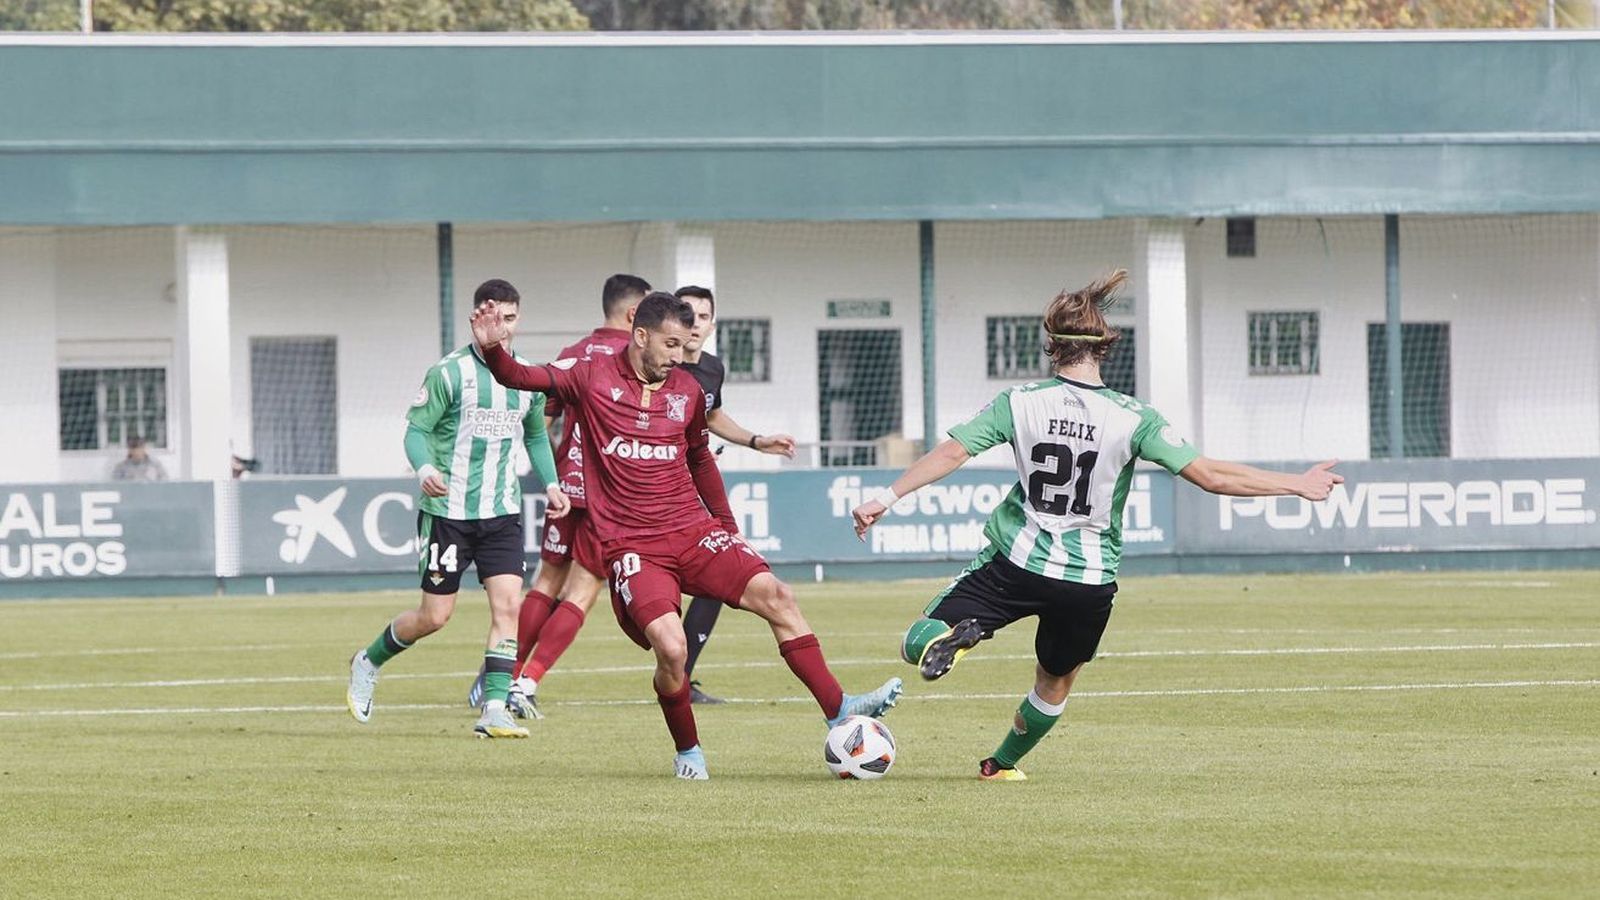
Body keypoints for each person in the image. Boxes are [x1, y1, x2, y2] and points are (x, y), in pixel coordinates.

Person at [851, 270, 1343, 781]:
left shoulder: (1019, 402)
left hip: (1016, 564)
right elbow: (1210, 476)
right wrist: (1297, 483)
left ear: (1051, 345)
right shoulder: (1135, 417)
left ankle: (955, 635)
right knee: (1054, 681)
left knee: (916, 642)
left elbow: (954, 451)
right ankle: (1001, 765)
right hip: (1086, 582)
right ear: (1105, 346)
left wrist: (885, 497)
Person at [473, 291, 901, 779]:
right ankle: (689, 751)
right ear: (640, 336)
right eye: (671, 344)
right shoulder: (591, 377)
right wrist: (493, 350)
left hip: (692, 531)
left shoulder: (687, 391)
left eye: (684, 344)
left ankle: (839, 707)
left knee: (778, 596)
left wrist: (728, 528)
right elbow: (521, 377)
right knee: (672, 649)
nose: (679, 356)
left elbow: (699, 457)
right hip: (633, 546)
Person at [346, 278, 569, 739]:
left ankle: (493, 709)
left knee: (508, 607)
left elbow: (532, 435)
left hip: (502, 512)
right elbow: (416, 431)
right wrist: (424, 465)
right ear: (476, 318)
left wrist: (551, 483)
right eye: (494, 319)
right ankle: (368, 660)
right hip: (448, 513)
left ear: (518, 320)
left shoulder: (527, 377)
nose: (502, 329)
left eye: (510, 319)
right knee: (435, 617)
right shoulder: (448, 373)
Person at [465, 274, 651, 717]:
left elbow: (539, 416)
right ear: (632, 316)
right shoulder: (634, 359)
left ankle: (501, 674)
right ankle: (525, 684)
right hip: (611, 494)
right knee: (584, 589)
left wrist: (559, 466)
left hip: (568, 485)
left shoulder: (573, 355)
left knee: (546, 581)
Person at [672, 285, 797, 704]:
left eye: (702, 316)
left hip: (692, 493)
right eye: (685, 314)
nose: (694, 323)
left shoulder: (711, 369)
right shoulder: (661, 370)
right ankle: (501, 672)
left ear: (711, 324)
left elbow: (712, 415)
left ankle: (680, 678)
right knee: (573, 585)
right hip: (653, 493)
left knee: (716, 579)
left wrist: (757, 441)